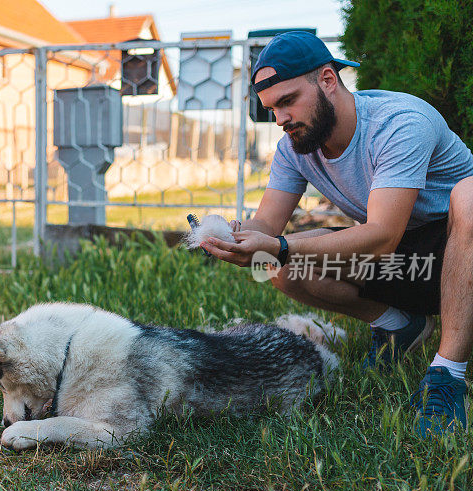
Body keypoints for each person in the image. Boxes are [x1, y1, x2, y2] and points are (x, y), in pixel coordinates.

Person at [200, 31, 473, 437]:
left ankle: (447, 375)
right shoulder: (294, 147)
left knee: (470, 196)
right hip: (408, 267)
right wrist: (235, 236)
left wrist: (282, 244)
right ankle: (400, 325)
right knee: (268, 263)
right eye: (272, 109)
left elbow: (382, 235)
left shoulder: (398, 123)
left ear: (328, 80)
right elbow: (267, 229)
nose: (280, 119)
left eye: (288, 101)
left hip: (458, 252)